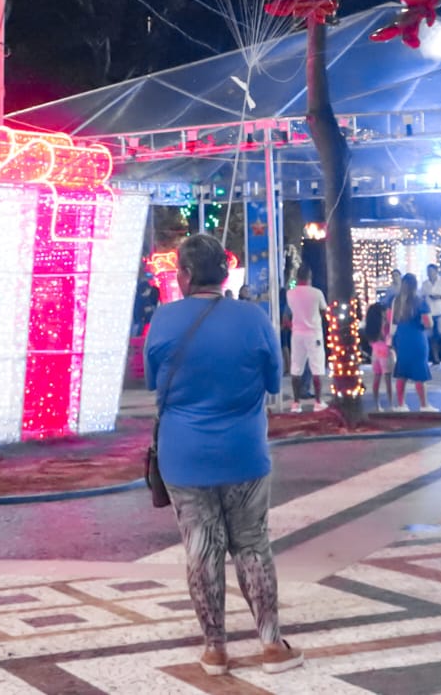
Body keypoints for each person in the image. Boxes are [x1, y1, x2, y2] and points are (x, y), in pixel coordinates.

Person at [145, 234, 302, 677]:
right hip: (244, 452)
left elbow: (154, 382)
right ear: (224, 272)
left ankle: (214, 650)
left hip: (184, 456)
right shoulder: (253, 318)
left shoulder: (164, 319)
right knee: (252, 544)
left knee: (201, 549)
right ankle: (271, 645)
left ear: (185, 274)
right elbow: (272, 382)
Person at [284, 266, 329, 413]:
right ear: (310, 277)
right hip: (314, 333)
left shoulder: (290, 294)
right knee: (317, 368)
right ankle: (318, 402)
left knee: (296, 368)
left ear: (297, 277)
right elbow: (324, 311)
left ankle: (296, 403)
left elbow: (287, 316)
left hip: (297, 334)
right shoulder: (317, 293)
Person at [390, 274, 436, 412]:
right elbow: (428, 323)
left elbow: (393, 321)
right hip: (416, 338)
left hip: (401, 338)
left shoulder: (396, 301)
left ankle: (401, 405)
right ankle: (424, 405)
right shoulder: (420, 301)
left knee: (402, 372)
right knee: (419, 371)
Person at [363, 300, 394, 410]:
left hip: (375, 351)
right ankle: (391, 404)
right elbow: (386, 336)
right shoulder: (384, 323)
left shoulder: (371, 326)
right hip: (385, 351)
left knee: (377, 378)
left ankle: (377, 404)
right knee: (388, 380)